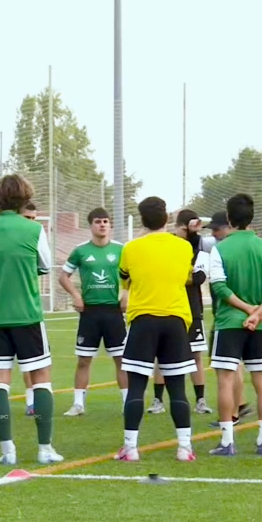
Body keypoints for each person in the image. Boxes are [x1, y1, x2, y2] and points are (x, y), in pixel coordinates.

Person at [0, 176, 63, 465]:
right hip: (27, 314)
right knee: (40, 379)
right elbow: (44, 265)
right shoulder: (34, 229)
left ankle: (7, 451)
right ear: (24, 197)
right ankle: (44, 448)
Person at [115, 196, 197, 462]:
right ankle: (184, 448)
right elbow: (186, 277)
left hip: (143, 320)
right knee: (177, 388)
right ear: (167, 218)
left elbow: (125, 276)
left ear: (142, 219)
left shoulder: (130, 248)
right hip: (175, 320)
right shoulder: (183, 247)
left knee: (137, 386)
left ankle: (131, 448)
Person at [208, 194, 262, 456]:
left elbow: (219, 286)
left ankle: (228, 442)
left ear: (229, 219)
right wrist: (259, 311)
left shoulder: (221, 248)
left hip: (229, 323)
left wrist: (246, 310)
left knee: (226, 382)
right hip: (260, 326)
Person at [59, 208, 127, 416]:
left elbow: (132, 275)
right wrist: (76, 295)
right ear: (91, 225)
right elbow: (63, 276)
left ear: (110, 225)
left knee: (120, 359)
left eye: (106, 221)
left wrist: (126, 293)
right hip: (90, 312)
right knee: (84, 359)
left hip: (114, 312)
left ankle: (127, 403)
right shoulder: (80, 251)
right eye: (98, 221)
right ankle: (78, 404)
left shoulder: (121, 250)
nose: (103, 225)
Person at [148, 210, 211, 415]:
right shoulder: (167, 244)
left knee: (195, 355)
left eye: (187, 228)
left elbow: (198, 278)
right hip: (167, 306)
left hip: (192, 308)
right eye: (181, 228)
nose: (184, 232)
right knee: (161, 355)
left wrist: (174, 274)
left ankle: (201, 400)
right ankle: (157, 400)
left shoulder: (201, 245)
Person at [0, 201, 39, 418]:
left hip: (20, 311)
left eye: (34, 219)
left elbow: (41, 266)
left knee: (31, 364)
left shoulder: (32, 236)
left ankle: (31, 402)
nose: (30, 223)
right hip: (3, 311)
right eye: (27, 218)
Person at [202, 212, 251, 426]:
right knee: (236, 365)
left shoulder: (224, 250)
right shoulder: (254, 247)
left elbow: (222, 287)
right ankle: (238, 405)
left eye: (216, 229)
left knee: (228, 367)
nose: (213, 234)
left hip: (230, 315)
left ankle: (233, 412)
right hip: (248, 314)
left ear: (229, 226)